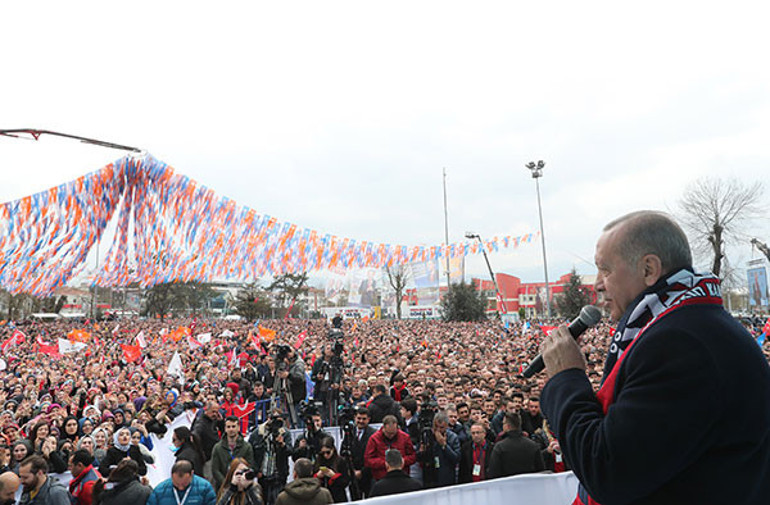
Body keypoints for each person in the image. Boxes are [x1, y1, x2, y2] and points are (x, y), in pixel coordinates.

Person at [540, 210, 770, 505]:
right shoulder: (691, 326)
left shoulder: (681, 345)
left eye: (605, 270)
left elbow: (609, 472)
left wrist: (566, 378)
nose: (597, 284)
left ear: (649, 269)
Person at [249, 412, 291, 505]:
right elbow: (250, 453)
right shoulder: (258, 432)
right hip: (263, 475)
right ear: (268, 418)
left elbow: (290, 452)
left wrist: (282, 445)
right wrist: (256, 470)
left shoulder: (285, 433)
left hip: (279, 475)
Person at [487, 412, 544, 479]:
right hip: (529, 485)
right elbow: (541, 470)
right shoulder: (533, 445)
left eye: (503, 424)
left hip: (507, 486)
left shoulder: (500, 447)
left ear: (507, 426)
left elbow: (493, 472)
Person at [364, 415, 416, 483]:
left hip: (402, 477)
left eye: (393, 433)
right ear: (383, 428)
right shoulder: (374, 439)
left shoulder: (405, 437)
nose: (391, 436)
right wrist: (384, 463)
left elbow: (413, 456)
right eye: (388, 433)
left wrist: (402, 461)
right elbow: (368, 460)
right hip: (380, 478)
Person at [211, 416, 256, 492]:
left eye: (233, 426)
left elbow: (250, 465)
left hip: (242, 487)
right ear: (225, 429)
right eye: (228, 427)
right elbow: (215, 469)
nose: (231, 429)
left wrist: (240, 481)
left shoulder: (247, 447)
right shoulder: (217, 447)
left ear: (238, 428)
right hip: (223, 488)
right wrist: (226, 483)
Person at [418, 411, 460, 488]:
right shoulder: (427, 435)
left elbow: (456, 458)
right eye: (436, 427)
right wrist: (421, 451)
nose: (438, 430)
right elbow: (419, 458)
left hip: (446, 477)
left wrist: (444, 445)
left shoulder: (453, 437)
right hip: (430, 476)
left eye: (441, 427)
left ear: (447, 426)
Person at [147, 459, 216, 505]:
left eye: (184, 484)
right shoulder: (160, 490)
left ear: (192, 474)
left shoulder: (205, 488)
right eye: (176, 484)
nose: (180, 488)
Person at [345, 407, 376, 499]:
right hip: (352, 474)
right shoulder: (349, 432)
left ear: (368, 419)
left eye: (364, 419)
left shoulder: (373, 434)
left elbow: (373, 455)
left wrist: (362, 472)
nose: (361, 421)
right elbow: (344, 450)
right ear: (355, 418)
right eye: (359, 418)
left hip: (368, 475)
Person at [312, 437, 349, 503]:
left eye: (328, 452)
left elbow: (346, 481)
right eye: (323, 453)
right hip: (322, 496)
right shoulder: (318, 460)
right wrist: (317, 476)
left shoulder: (340, 461)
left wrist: (334, 476)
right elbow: (311, 479)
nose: (325, 455)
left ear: (333, 449)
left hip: (337, 496)